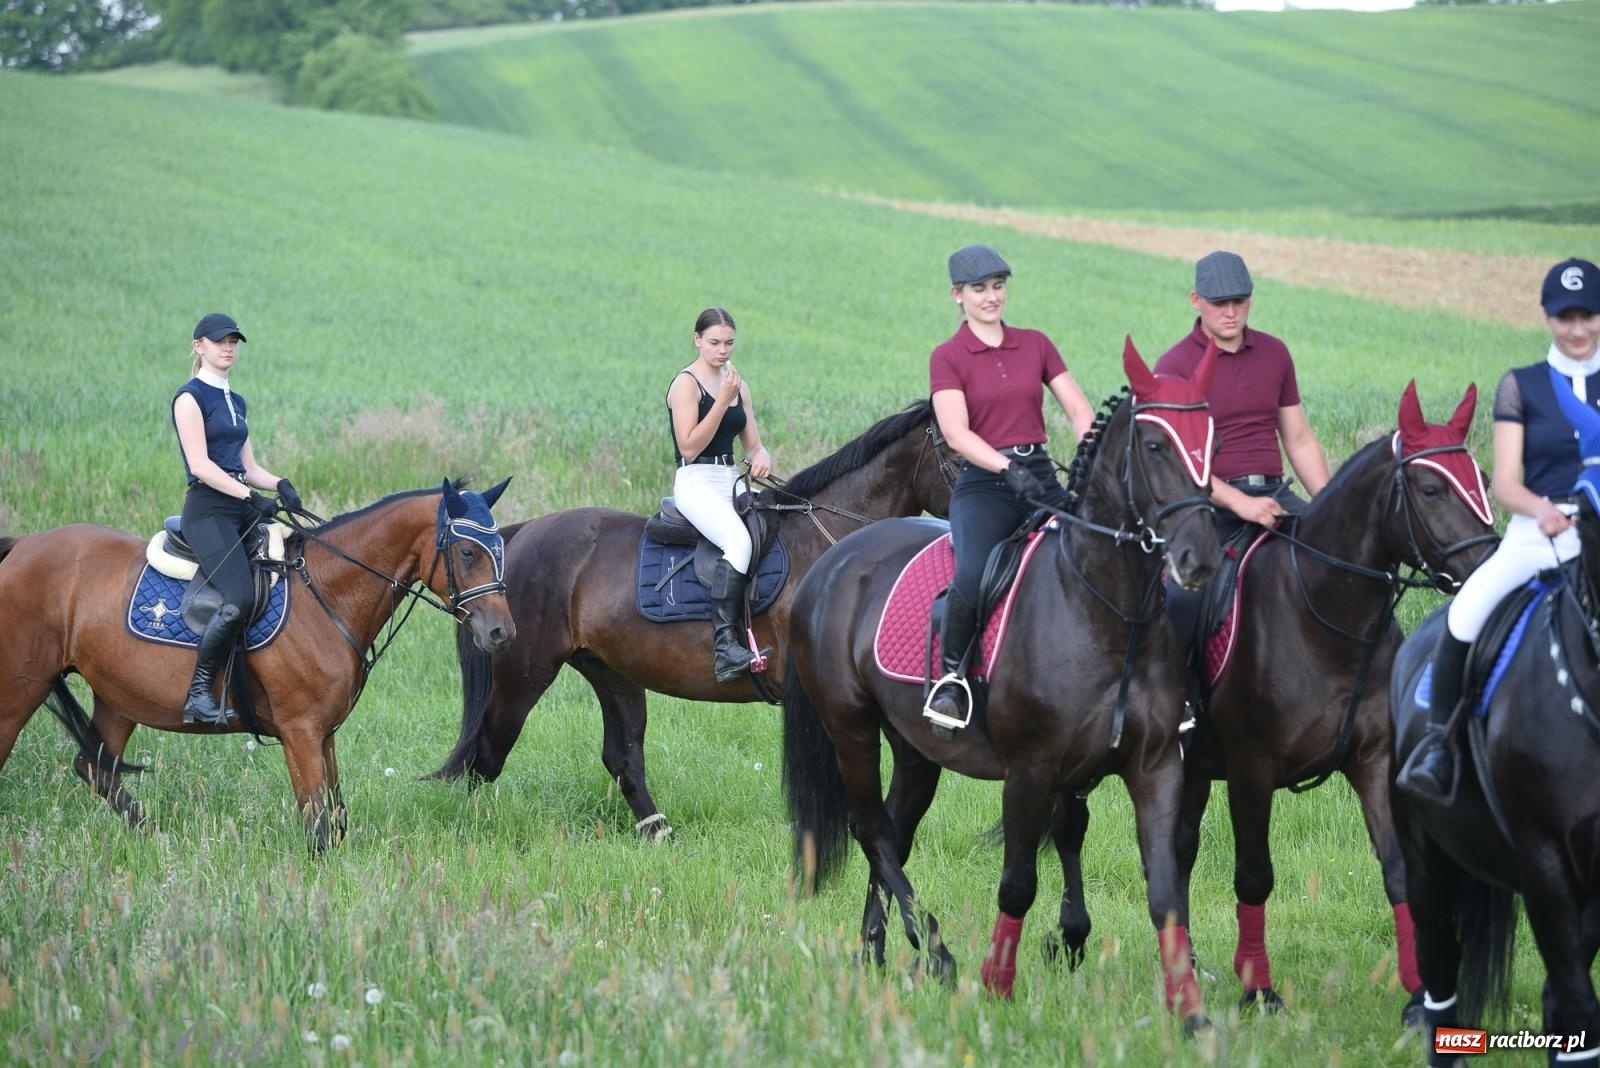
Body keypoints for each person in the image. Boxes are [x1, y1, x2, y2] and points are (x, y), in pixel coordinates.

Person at [1399, 257, 1600, 802]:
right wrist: (1543, 510)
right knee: (1465, 614)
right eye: (1565, 317)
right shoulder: (1523, 386)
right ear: (1546, 316)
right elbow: (1506, 483)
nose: (1577, 329)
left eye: (1587, 316)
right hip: (1540, 533)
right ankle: (1440, 748)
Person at [924, 244, 1095, 727]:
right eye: (979, 289)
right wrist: (1004, 467)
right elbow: (957, 433)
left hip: (1040, 475)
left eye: (998, 286)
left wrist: (1085, 452)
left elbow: (1079, 409)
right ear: (957, 295)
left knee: (1103, 549)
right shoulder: (948, 356)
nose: (991, 297)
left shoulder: (1036, 343)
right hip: (984, 485)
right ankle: (951, 680)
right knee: (975, 572)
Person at [172, 312, 301, 726]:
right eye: (218, 341)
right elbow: (202, 465)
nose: (228, 347)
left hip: (239, 503)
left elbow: (248, 466)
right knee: (240, 597)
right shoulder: (189, 398)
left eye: (234, 341)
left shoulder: (236, 401)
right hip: (208, 510)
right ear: (199, 346)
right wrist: (251, 496)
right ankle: (198, 694)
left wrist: (279, 483)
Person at [1154, 250, 1330, 547]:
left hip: (1275, 494)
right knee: (1188, 593)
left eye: (1239, 301)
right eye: (1219, 303)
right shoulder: (1174, 366)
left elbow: (1299, 440)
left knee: (1338, 559)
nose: (1231, 312)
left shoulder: (1275, 353)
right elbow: (1174, 461)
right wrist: (1239, 502)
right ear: (1196, 300)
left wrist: (1329, 505)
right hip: (1208, 504)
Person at [667, 307, 774, 683]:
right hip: (695, 481)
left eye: (729, 343)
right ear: (697, 340)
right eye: (714, 342)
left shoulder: (737, 384)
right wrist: (721, 400)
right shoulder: (686, 384)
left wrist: (762, 458)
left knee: (774, 526)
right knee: (739, 542)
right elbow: (689, 446)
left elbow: (754, 445)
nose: (722, 350)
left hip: (731, 477)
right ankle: (725, 646)